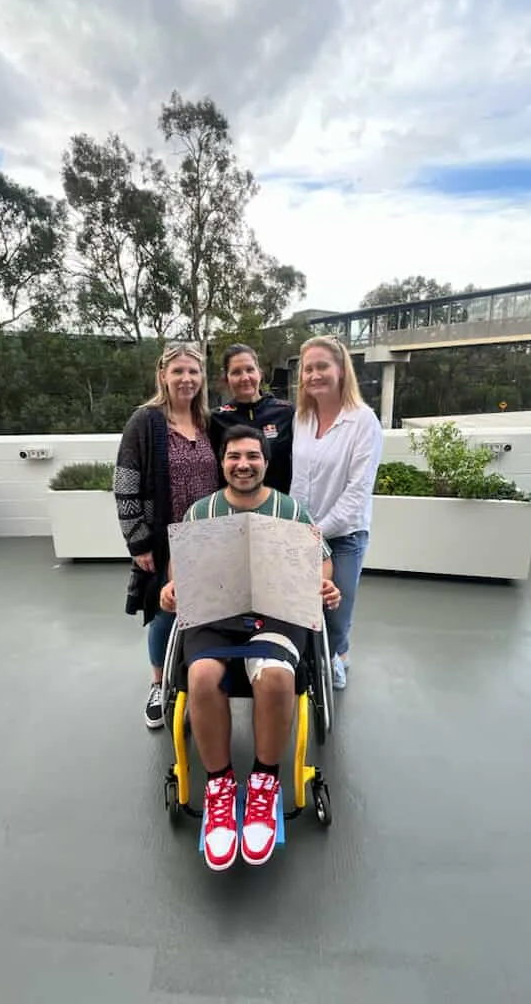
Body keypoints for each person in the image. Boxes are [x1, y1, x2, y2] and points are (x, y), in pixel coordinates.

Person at [159, 424, 341, 871]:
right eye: (234, 456)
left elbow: (322, 561)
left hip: (276, 613)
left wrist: (326, 585)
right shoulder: (201, 511)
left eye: (252, 456)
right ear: (222, 462)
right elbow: (177, 569)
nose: (243, 464)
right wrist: (170, 589)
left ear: (265, 461)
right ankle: (220, 785)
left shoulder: (292, 510)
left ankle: (264, 781)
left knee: (277, 678)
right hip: (216, 614)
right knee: (201, 676)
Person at [115, 343, 220, 730]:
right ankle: (159, 685)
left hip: (209, 537)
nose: (186, 379)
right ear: (163, 375)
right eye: (177, 371)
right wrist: (138, 541)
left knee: (208, 611)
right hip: (164, 540)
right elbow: (124, 482)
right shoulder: (145, 422)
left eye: (193, 371)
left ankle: (197, 685)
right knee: (165, 611)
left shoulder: (209, 422)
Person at [290, 335, 384, 691]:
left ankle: (338, 657)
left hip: (344, 536)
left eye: (322, 366)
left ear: (342, 370)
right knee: (300, 604)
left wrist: (317, 531)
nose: (314, 375)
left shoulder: (363, 422)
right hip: (303, 532)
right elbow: (298, 482)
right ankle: (314, 656)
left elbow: (357, 493)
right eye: (308, 369)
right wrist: (297, 527)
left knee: (335, 610)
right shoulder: (301, 417)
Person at [209, 344, 295, 494]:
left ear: (259, 373)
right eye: (236, 372)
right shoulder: (216, 418)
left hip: (278, 508)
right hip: (234, 509)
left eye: (250, 370)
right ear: (226, 379)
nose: (245, 378)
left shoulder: (286, 412)